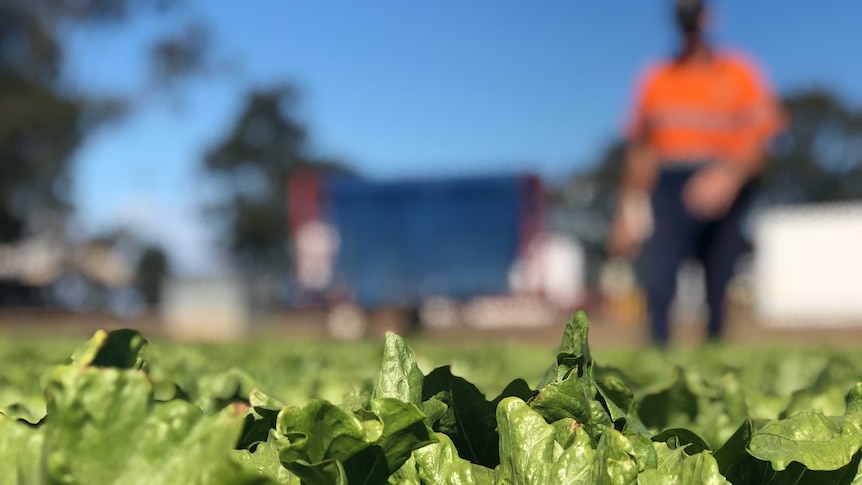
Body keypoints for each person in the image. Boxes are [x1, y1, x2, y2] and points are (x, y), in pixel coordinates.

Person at [607, 0, 786, 344]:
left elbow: (764, 140)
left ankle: (717, 356)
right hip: (669, 185)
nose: (690, 28)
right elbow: (640, 150)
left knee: (719, 280)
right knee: (659, 278)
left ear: (709, 18)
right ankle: (658, 356)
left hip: (726, 185)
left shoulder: (739, 72)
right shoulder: (656, 77)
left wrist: (728, 175)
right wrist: (626, 209)